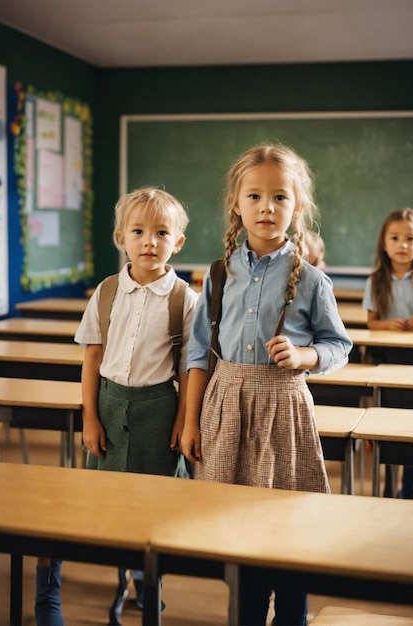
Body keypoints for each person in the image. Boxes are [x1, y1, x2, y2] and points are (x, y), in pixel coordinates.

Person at [181, 142, 352, 626]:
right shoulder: (218, 274)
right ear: (237, 203)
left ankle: (292, 615)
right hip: (225, 406)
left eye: (280, 197)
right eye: (254, 197)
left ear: (297, 207)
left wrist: (305, 356)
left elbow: (338, 345)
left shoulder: (313, 280)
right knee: (237, 527)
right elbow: (197, 354)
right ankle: (248, 614)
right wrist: (190, 422)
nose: (266, 207)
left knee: (287, 521)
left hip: (284, 410)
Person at [34, 187, 197, 626]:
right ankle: (100, 578)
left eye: (162, 232)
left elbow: (188, 372)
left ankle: (148, 582)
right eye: (138, 231)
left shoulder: (185, 300)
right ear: (120, 237)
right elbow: (92, 357)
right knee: (104, 499)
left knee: (152, 504)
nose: (149, 242)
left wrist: (183, 424)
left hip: (159, 409)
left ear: (177, 242)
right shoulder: (107, 292)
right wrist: (89, 417)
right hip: (108, 405)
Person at [362, 208, 413, 500]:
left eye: (410, 238)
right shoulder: (376, 280)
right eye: (395, 238)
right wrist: (388, 325)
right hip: (388, 360)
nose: (402, 245)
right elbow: (372, 322)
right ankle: (391, 487)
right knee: (391, 429)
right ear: (384, 243)